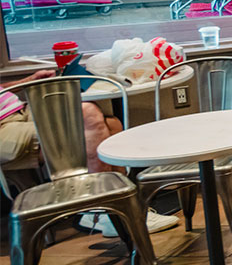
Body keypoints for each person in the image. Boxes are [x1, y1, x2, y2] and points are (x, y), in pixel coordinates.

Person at [1, 70, 176, 233]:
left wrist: (28, 80)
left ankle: (125, 207)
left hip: (17, 110)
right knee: (87, 112)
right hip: (3, 127)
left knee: (110, 123)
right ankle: (101, 211)